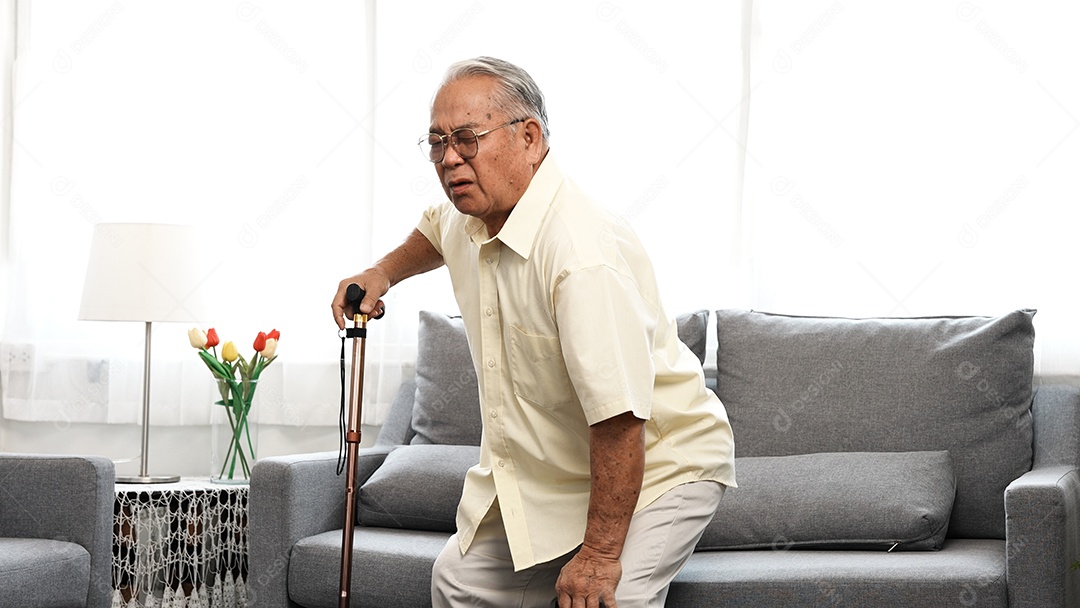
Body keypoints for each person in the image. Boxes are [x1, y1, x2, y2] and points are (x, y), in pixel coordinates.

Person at [332, 56, 736, 608]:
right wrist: (383, 273)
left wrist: (597, 555)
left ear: (529, 137)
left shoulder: (581, 254)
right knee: (459, 580)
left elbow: (621, 420)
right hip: (560, 470)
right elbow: (435, 227)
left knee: (607, 600)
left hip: (661, 467)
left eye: (468, 139)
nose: (450, 159)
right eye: (437, 142)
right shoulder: (472, 209)